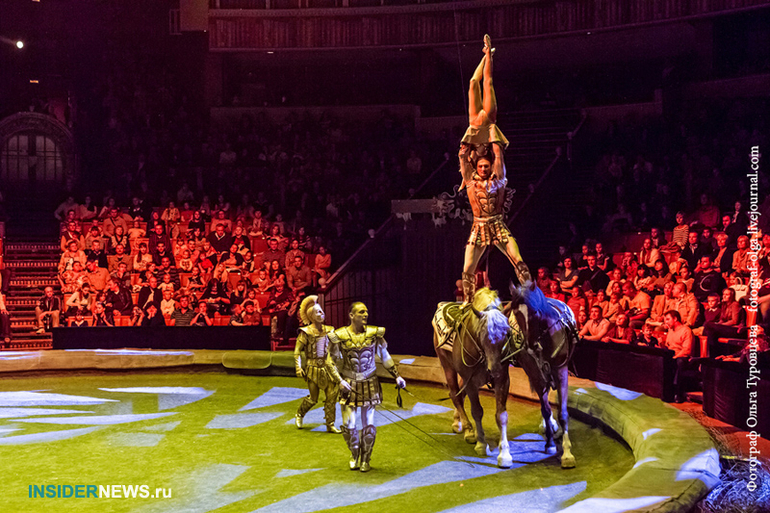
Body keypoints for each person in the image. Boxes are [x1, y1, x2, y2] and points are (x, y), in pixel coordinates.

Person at [457, 36, 530, 303]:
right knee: (467, 269)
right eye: (482, 166)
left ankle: (533, 296)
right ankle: (466, 304)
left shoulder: (497, 175)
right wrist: (484, 53)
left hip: (497, 225)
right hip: (478, 226)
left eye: (487, 166)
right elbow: (464, 161)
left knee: (517, 259)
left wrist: (489, 56)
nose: (486, 169)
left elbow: (498, 155)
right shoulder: (471, 166)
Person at [328, 302, 405, 472]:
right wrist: (339, 381)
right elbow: (330, 362)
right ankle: (355, 453)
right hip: (348, 384)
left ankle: (366, 459)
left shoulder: (374, 334)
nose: (365, 315)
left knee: (368, 426)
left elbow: (385, 357)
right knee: (349, 426)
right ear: (351, 315)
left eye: (366, 312)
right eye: (361, 312)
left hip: (369, 383)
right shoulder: (339, 336)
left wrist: (397, 376)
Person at [294, 295, 342, 433]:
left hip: (328, 368)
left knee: (331, 396)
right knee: (313, 398)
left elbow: (336, 349)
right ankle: (300, 414)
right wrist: (298, 367)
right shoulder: (305, 332)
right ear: (311, 316)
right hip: (312, 368)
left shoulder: (330, 330)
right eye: (317, 312)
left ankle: (330, 424)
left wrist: (339, 363)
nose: (321, 314)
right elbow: (297, 351)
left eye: (321, 311)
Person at [663, 310, 693, 402]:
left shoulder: (686, 330)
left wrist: (675, 357)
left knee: (679, 362)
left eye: (668, 319)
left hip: (681, 356)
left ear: (675, 319)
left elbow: (687, 350)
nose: (666, 322)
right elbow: (669, 346)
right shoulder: (670, 330)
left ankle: (678, 394)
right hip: (671, 355)